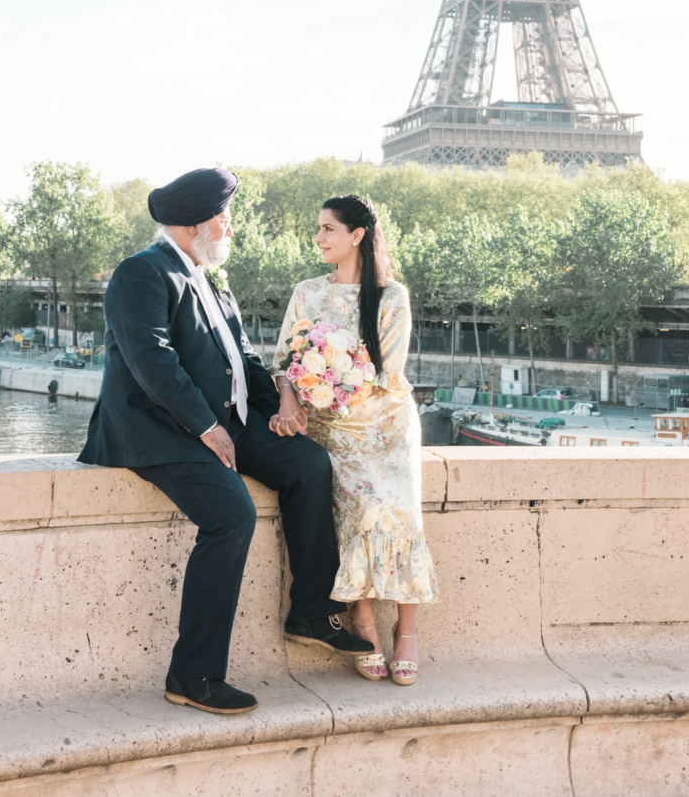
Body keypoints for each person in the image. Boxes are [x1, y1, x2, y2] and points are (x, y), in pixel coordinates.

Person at [78, 167, 372, 716]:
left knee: (308, 465)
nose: (231, 227)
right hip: (160, 431)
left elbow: (242, 357)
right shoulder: (141, 273)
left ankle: (310, 612)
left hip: (227, 422)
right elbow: (152, 364)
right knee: (231, 514)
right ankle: (193, 673)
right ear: (195, 224)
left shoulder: (210, 274)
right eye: (225, 217)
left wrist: (281, 402)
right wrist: (207, 428)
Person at [270, 194, 439, 685]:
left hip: (384, 426)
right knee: (356, 517)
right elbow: (283, 361)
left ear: (357, 236)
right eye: (318, 228)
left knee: (400, 515)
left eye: (327, 229)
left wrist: (326, 382)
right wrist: (290, 399)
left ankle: (407, 632)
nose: (318, 238)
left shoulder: (393, 297)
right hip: (331, 430)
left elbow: (387, 374)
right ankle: (364, 623)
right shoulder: (306, 292)